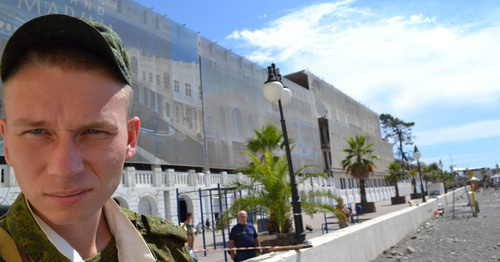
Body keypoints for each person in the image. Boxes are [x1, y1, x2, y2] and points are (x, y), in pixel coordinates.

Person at [0, 14, 193, 261]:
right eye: (37, 132)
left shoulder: (169, 251)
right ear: (7, 142)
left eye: (93, 132)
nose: (65, 168)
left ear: (130, 140)